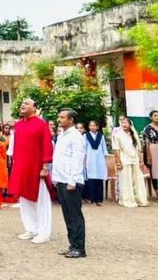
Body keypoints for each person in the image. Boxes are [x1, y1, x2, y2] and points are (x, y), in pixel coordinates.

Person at [9, 99, 54, 244]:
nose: (23, 105)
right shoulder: (18, 125)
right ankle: (31, 228)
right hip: (22, 168)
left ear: (34, 108)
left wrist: (45, 167)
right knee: (25, 199)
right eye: (22, 103)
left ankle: (44, 232)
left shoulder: (41, 124)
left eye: (27, 104)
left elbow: (47, 145)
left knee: (41, 201)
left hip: (37, 168)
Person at [52, 109, 87, 259]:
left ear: (71, 120)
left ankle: (79, 247)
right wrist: (55, 178)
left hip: (71, 181)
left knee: (74, 215)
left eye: (62, 117)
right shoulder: (61, 135)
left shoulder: (76, 136)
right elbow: (58, 157)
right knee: (67, 215)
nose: (59, 119)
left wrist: (72, 180)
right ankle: (72, 245)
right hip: (61, 179)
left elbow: (78, 159)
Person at [112, 117, 149, 208]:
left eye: (126, 123)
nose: (124, 124)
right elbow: (116, 150)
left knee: (137, 179)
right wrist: (118, 162)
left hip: (135, 159)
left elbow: (138, 149)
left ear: (130, 124)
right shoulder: (118, 135)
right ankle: (127, 200)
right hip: (124, 160)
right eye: (122, 123)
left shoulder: (134, 135)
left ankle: (139, 199)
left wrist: (141, 162)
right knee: (126, 180)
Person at [83, 120, 108, 206]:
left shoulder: (101, 136)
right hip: (90, 158)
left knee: (99, 179)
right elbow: (84, 148)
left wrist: (105, 159)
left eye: (94, 126)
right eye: (91, 125)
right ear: (89, 127)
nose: (93, 127)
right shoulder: (85, 136)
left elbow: (104, 148)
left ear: (97, 127)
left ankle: (99, 199)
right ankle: (92, 198)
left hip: (99, 159)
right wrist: (84, 160)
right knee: (91, 179)